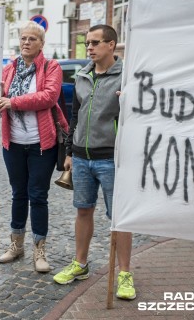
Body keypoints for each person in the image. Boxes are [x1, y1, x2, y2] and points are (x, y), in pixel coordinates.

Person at [52, 24, 136, 300]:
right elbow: (75, 116)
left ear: (111, 45)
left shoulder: (127, 77)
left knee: (120, 218)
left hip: (111, 158)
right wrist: (68, 152)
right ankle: (81, 264)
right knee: (83, 211)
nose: (89, 47)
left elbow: (138, 117)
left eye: (95, 42)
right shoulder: (83, 75)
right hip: (81, 157)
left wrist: (131, 102)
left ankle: (124, 273)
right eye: (87, 42)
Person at [0, 21, 67, 273]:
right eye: (23, 38)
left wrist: (12, 101)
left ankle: (40, 250)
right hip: (12, 142)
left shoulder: (51, 66)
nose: (26, 42)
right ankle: (16, 245)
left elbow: (48, 97)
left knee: (38, 196)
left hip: (41, 144)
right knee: (18, 194)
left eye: (32, 39)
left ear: (41, 44)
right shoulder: (9, 68)